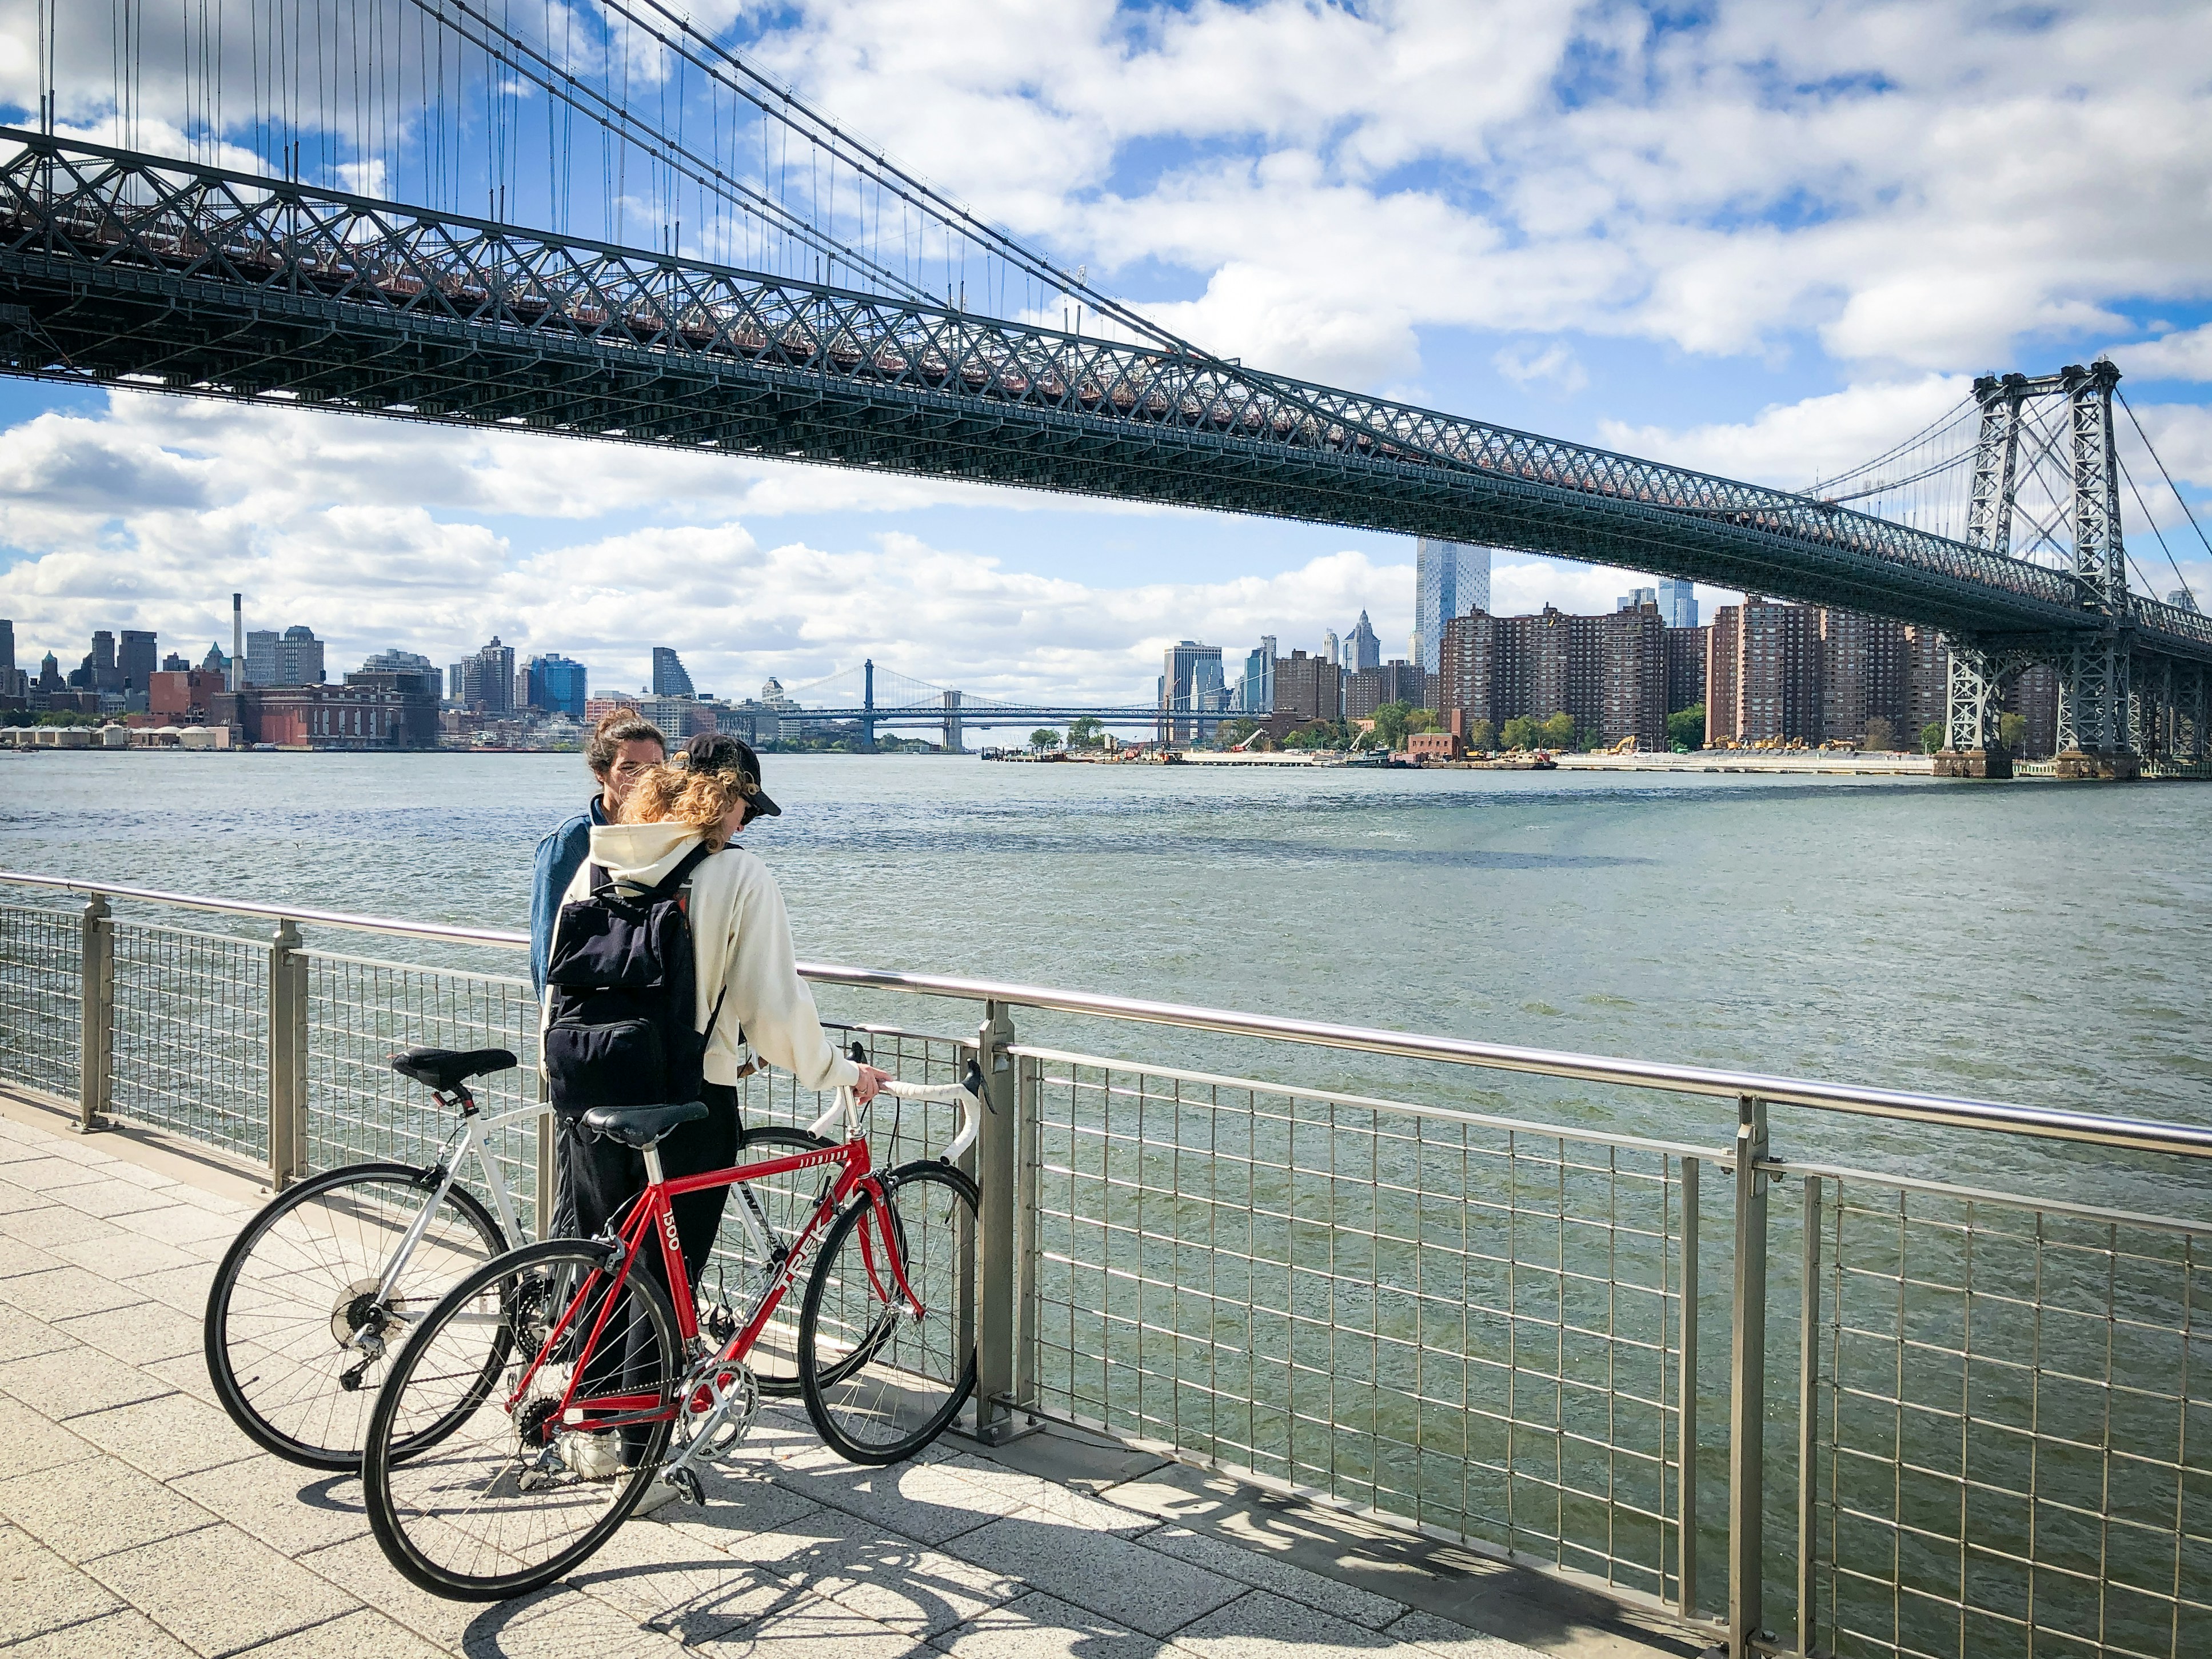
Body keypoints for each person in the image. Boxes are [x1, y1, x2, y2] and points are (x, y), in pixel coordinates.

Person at [549, 731, 889, 1493]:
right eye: (746, 806)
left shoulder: (601, 856)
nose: (747, 822)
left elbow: (557, 982)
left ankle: (590, 1430)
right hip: (684, 1101)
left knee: (609, 1264)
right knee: (668, 1278)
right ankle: (644, 1463)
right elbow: (774, 1006)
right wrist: (841, 1070)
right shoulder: (734, 872)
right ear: (724, 798)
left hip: (590, 1084)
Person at [530, 709, 668, 999]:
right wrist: (554, 1021)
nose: (645, 779)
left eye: (655, 767)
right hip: (586, 1013)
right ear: (601, 772)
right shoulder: (570, 841)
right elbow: (547, 940)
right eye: (630, 768)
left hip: (650, 1007)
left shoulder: (666, 836)